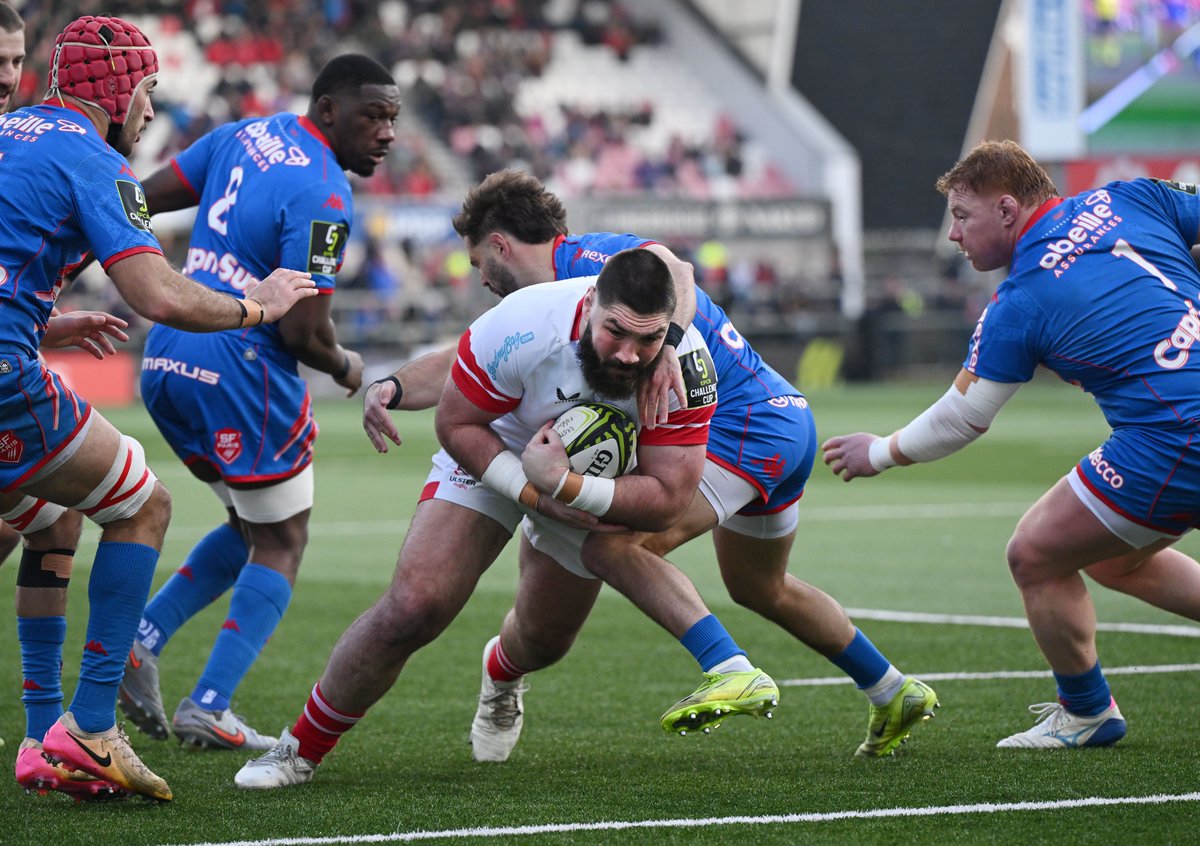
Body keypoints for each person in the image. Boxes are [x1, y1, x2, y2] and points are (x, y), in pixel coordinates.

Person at [361, 170, 937, 761]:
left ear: (499, 245)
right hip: (783, 421)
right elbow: (467, 360)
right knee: (760, 587)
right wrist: (395, 387)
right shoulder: (547, 309)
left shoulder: (592, 264)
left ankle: (726, 668)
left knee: (611, 543)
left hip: (739, 427)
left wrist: (671, 345)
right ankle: (892, 688)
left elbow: (678, 271)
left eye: (478, 261)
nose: (480, 278)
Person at [234, 249, 779, 788]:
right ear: (590, 302)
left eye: (648, 340)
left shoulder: (686, 367)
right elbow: (456, 425)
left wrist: (568, 487)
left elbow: (668, 499)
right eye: (616, 332)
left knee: (544, 643)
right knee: (415, 604)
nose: (629, 355)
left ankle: (502, 672)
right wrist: (534, 491)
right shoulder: (524, 322)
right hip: (494, 447)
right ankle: (299, 748)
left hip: (587, 485)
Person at [0, 14, 317, 802]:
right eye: (146, 91)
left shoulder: (13, 131)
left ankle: (41, 739)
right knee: (144, 507)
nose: (150, 111)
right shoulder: (94, 159)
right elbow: (158, 295)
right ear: (115, 93)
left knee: (52, 522)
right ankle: (91, 729)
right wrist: (257, 304)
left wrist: (44, 320)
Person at [822, 138, 1200, 749]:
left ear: (1006, 209)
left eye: (961, 216)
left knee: (1035, 555)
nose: (954, 234)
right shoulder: (1130, 197)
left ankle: (1086, 711)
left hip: (1175, 439)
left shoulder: (1022, 299)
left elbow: (963, 417)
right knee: (1110, 558)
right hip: (1177, 431)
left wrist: (880, 452)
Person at [115, 54, 401, 752]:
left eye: (392, 118)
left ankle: (141, 640)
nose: (387, 133)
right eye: (373, 116)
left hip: (169, 352)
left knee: (251, 523)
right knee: (283, 539)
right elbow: (302, 333)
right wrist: (347, 364)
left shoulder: (244, 134)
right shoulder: (325, 194)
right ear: (328, 109)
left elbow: (138, 199)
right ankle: (210, 704)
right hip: (241, 369)